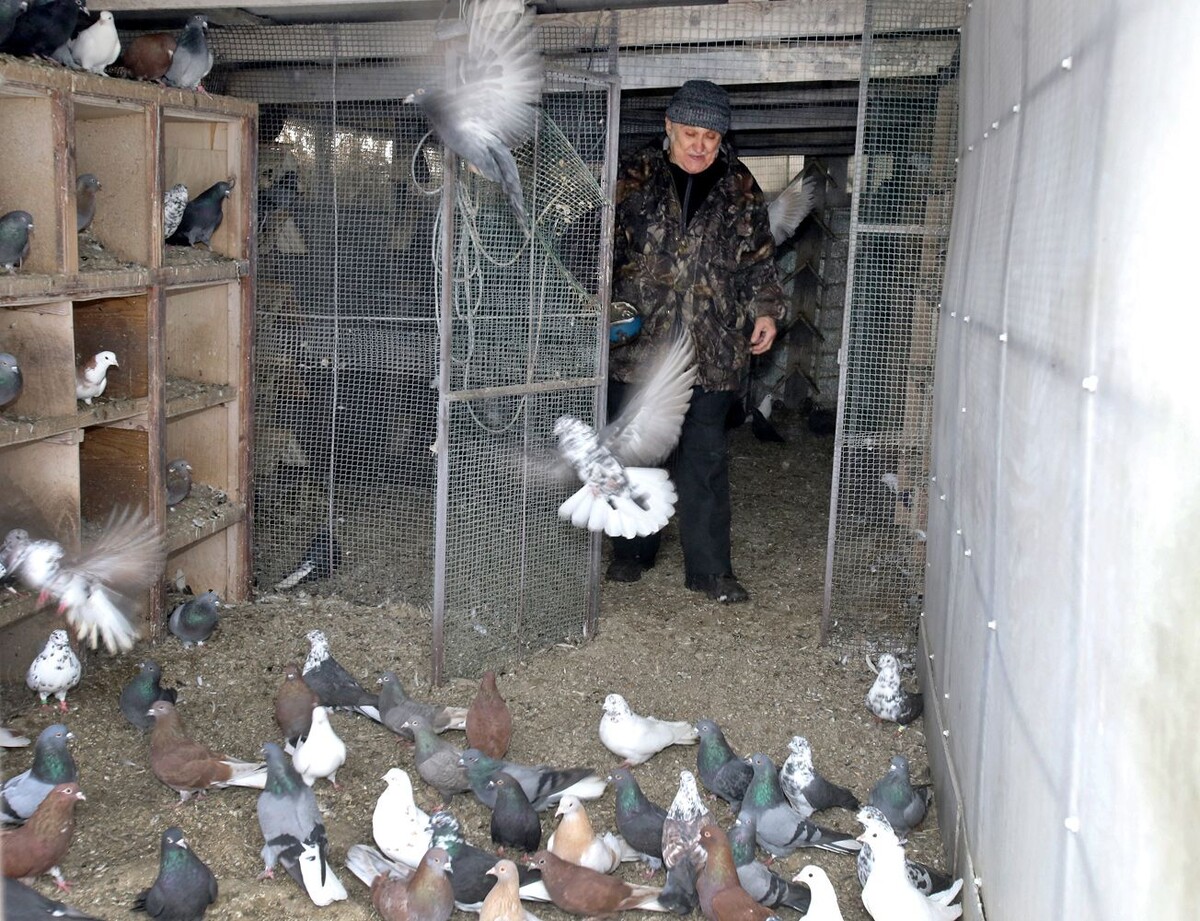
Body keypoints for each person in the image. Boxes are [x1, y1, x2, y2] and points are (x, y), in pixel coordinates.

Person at [606, 79, 786, 603]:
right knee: (635, 453)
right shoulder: (633, 178)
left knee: (704, 459)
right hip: (640, 349)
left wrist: (767, 312)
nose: (700, 145)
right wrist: (598, 307)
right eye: (691, 133)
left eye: (711, 135)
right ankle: (630, 553)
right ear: (669, 127)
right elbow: (595, 248)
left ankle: (710, 570)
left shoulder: (739, 187)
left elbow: (759, 262)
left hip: (712, 351)